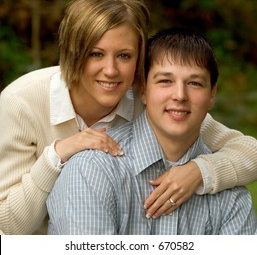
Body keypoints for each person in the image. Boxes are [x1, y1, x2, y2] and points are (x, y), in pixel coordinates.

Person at [0, 0, 257, 235]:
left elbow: (250, 152)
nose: (111, 70)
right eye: (96, 54)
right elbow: (9, 226)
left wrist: (199, 171)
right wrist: (57, 154)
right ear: (72, 51)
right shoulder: (21, 102)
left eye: (124, 56)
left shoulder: (147, 98)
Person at [47, 28, 257, 235]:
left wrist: (200, 172)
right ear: (143, 90)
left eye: (194, 83)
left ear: (212, 94)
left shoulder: (231, 195)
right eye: (165, 81)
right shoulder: (92, 171)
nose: (180, 95)